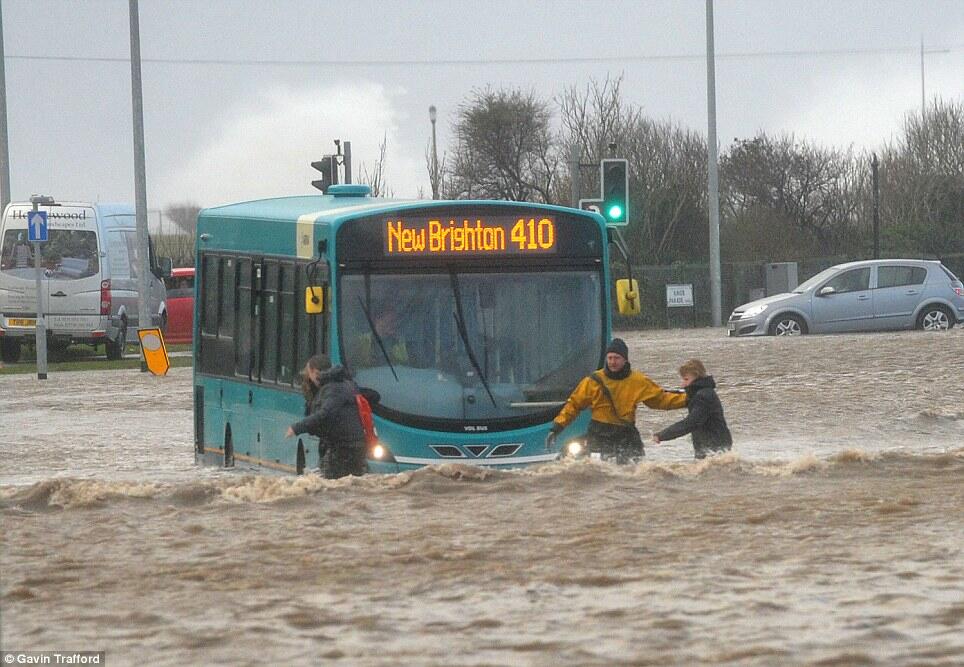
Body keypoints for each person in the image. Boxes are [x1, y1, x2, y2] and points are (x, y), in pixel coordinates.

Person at [546, 338, 688, 462]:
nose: (612, 362)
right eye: (610, 358)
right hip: (599, 433)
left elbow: (661, 400)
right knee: (599, 472)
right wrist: (558, 427)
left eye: (616, 358)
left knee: (632, 473)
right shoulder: (593, 381)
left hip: (626, 434)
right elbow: (574, 405)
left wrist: (688, 399)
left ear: (625, 359)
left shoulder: (638, 381)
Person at [285, 354, 368, 479]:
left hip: (342, 447)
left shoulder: (332, 388)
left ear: (314, 371)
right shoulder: (344, 384)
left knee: (330, 485)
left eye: (309, 372)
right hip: (353, 445)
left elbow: (326, 414)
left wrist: (296, 428)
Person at [652, 359, 733, 459]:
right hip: (715, 446)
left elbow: (690, 423)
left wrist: (662, 435)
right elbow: (678, 393)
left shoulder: (703, 397)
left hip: (714, 447)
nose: (683, 384)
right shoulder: (703, 392)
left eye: (686, 379)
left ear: (697, 378)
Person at [352, 303, 410, 368]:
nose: (393, 324)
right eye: (389, 320)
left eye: (394, 321)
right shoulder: (361, 341)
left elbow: (405, 365)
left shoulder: (399, 343)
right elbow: (353, 365)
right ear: (377, 319)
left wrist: (396, 339)